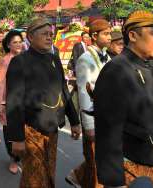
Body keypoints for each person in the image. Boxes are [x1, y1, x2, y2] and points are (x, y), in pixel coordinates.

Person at [94, 10, 153, 187]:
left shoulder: (152, 66)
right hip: (129, 167)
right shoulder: (116, 71)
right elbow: (108, 132)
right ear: (132, 35)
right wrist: (114, 182)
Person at [6, 17, 81, 188]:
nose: (49, 37)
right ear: (31, 37)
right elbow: (14, 102)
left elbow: (64, 91)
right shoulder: (20, 62)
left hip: (53, 127)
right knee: (34, 176)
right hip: (32, 129)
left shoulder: (54, 59)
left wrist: (75, 121)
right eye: (45, 34)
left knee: (48, 171)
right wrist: (16, 138)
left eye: (51, 34)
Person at [66, 19, 112, 188]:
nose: (109, 37)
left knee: (103, 160)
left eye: (110, 33)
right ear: (94, 35)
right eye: (105, 34)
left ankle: (77, 175)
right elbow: (84, 92)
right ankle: (81, 177)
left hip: (107, 116)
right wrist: (89, 125)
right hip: (94, 116)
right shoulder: (85, 59)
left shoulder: (107, 56)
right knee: (94, 161)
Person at [0, 30, 23, 174]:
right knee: (10, 132)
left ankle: (21, 156)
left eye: (20, 41)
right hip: (9, 102)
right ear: (8, 45)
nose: (18, 44)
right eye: (15, 42)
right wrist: (0, 103)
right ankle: (13, 159)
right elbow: (0, 83)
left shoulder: (27, 58)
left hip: (24, 102)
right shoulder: (5, 60)